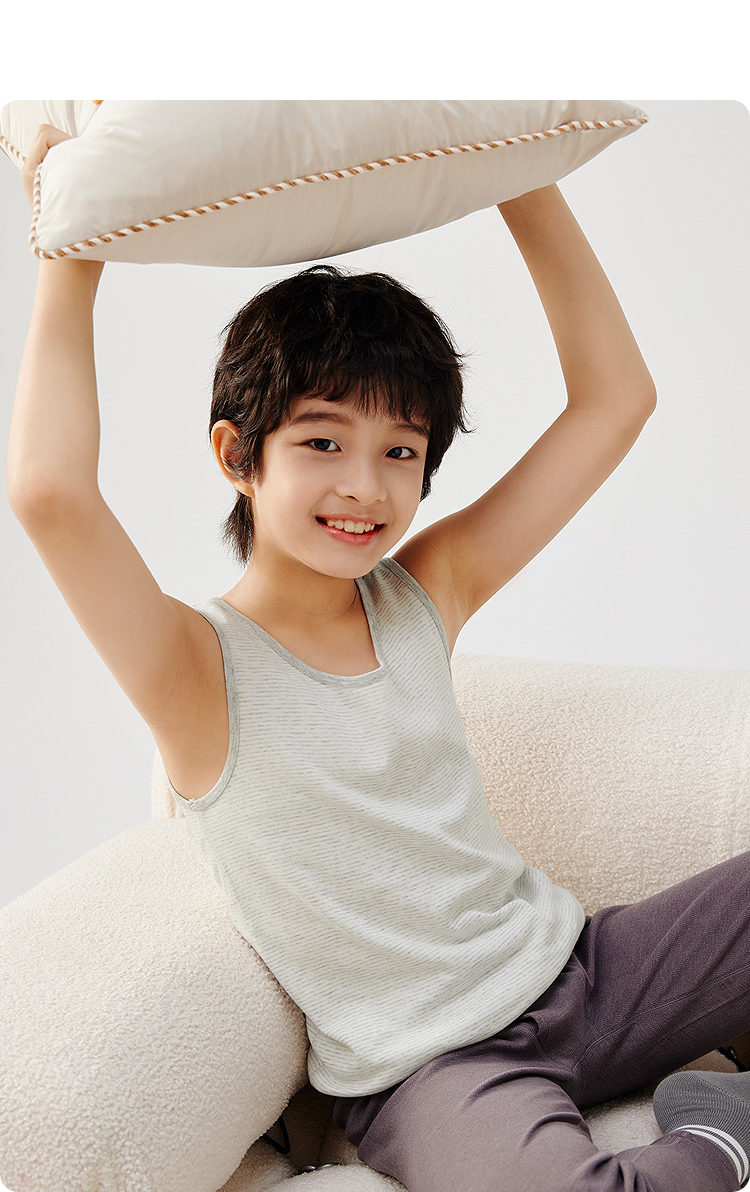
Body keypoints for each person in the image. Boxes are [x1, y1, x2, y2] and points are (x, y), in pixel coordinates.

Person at [8, 124, 750, 1192]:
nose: (364, 485)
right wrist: (69, 249)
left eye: (400, 451)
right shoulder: (194, 670)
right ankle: (720, 1121)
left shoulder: (426, 590)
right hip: (437, 1068)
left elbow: (614, 401)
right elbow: (49, 493)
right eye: (322, 442)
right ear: (236, 454)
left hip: (585, 972)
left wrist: (520, 169)